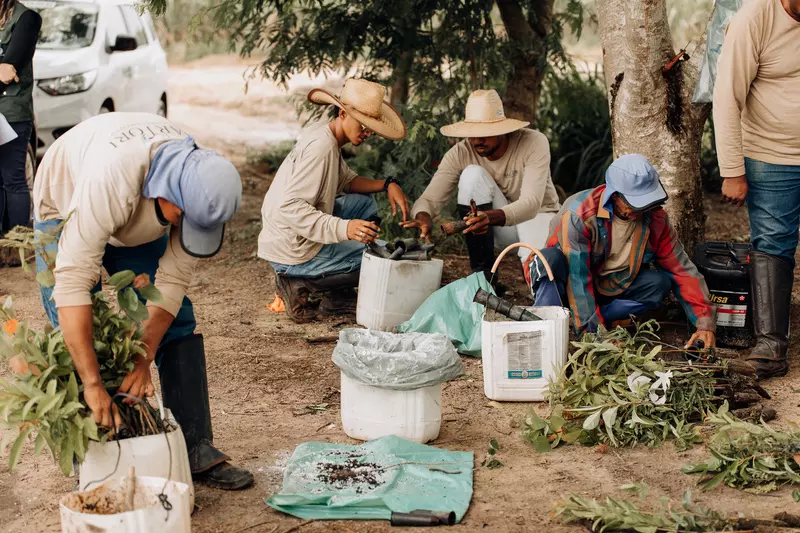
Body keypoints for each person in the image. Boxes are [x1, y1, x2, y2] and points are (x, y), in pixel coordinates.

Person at [33, 112, 254, 490]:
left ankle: (195, 445)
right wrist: (91, 382)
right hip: (66, 197)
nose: (185, 227)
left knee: (178, 319)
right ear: (168, 194)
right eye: (183, 217)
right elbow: (72, 285)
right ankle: (95, 452)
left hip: (134, 204)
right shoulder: (110, 181)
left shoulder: (199, 180)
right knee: (84, 329)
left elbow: (172, 281)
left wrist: (142, 357)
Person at [258, 78, 410, 323]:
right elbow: (291, 207)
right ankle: (297, 281)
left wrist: (387, 184)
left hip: (291, 233)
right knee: (377, 257)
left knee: (365, 204)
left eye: (371, 126)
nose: (368, 132)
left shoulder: (329, 138)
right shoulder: (321, 148)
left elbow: (346, 180)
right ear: (342, 113)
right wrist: (345, 229)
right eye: (364, 124)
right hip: (291, 247)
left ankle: (336, 290)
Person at [527, 154, 716, 348]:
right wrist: (596, 336)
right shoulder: (579, 214)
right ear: (614, 195)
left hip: (609, 287)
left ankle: (600, 317)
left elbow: (682, 271)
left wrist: (704, 324)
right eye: (634, 202)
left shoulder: (656, 220)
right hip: (565, 284)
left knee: (658, 283)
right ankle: (546, 327)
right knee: (549, 260)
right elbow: (577, 279)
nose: (641, 209)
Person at [713, 0, 800, 379]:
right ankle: (770, 345)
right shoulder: (754, 19)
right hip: (771, 153)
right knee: (773, 242)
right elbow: (726, 97)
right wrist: (733, 170)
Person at [403, 89, 560, 280]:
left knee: (540, 271)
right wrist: (423, 216)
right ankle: (484, 279)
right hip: (496, 228)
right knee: (472, 175)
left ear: (502, 130)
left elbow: (532, 203)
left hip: (537, 217)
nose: (477, 140)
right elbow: (429, 198)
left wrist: (488, 217)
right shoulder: (462, 152)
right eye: (472, 133)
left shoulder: (533, 142)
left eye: (485, 133)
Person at [0, 0, 41, 267]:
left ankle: (19, 247)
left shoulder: (26, 18)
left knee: (13, 178)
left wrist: (5, 67)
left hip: (12, 112)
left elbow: (8, 69)